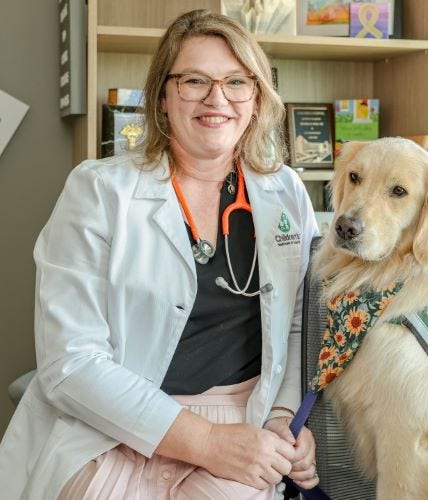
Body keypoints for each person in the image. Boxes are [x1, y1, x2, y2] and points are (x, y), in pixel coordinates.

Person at [0, 9, 320, 499]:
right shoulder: (99, 190)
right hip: (108, 423)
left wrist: (282, 420)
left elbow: (299, 323)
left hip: (241, 420)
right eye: (195, 80)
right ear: (163, 97)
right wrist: (206, 441)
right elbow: (72, 362)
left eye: (237, 81)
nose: (218, 99)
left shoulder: (285, 193)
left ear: (256, 99)